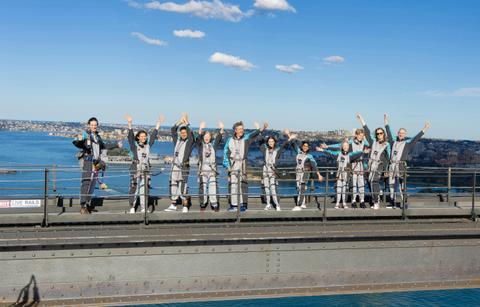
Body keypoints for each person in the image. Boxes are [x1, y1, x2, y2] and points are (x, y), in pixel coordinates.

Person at [73, 117, 121, 214]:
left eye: (95, 125)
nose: (94, 126)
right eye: (92, 125)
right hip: (88, 162)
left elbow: (104, 146)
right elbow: (77, 143)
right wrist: (79, 139)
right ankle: (83, 206)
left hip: (95, 163)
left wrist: (116, 145)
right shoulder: (86, 135)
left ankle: (88, 204)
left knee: (92, 184)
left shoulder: (97, 136)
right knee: (86, 183)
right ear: (89, 125)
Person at [385, 114, 430, 207]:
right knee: (391, 185)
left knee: (402, 186)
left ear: (405, 135)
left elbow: (416, 138)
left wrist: (425, 129)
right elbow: (388, 132)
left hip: (401, 166)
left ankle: (404, 203)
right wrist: (386, 121)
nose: (401, 134)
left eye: (403, 133)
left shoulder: (407, 144)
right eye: (400, 132)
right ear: (398, 133)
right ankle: (392, 202)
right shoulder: (393, 142)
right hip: (392, 166)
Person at [223, 121, 268, 212]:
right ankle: (234, 205)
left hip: (242, 164)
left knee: (242, 185)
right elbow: (225, 153)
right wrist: (228, 166)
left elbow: (253, 134)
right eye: (239, 129)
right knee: (233, 185)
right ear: (235, 130)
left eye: (242, 129)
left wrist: (262, 128)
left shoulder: (246, 138)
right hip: (233, 164)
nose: (241, 130)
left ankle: (242, 205)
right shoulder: (229, 140)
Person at [321, 129, 370, 208]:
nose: (361, 137)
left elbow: (369, 144)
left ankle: (362, 201)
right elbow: (339, 145)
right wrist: (328, 146)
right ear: (356, 135)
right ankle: (353, 200)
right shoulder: (350, 143)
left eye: (362, 136)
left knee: (361, 185)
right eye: (360, 135)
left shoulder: (364, 143)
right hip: (352, 165)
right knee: (353, 184)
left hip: (361, 165)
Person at [125, 114, 165, 213]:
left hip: (146, 169)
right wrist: (130, 124)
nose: (143, 138)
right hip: (136, 168)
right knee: (134, 188)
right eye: (141, 136)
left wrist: (158, 125)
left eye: (145, 136)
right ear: (138, 137)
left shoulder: (148, 146)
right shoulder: (134, 146)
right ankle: (132, 207)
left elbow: (153, 138)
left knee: (144, 189)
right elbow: (130, 138)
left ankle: (144, 207)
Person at [356, 113, 391, 210]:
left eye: (381, 133)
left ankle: (376, 202)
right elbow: (367, 132)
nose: (379, 135)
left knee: (374, 180)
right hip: (371, 165)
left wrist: (387, 169)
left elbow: (389, 158)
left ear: (383, 134)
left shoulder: (387, 144)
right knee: (369, 181)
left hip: (380, 165)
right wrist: (361, 119)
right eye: (377, 133)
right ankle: (377, 193)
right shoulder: (373, 142)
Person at [165, 113, 195, 213]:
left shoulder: (189, 142)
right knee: (173, 184)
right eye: (181, 133)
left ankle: (185, 206)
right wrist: (180, 121)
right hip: (175, 167)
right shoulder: (177, 141)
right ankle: (173, 204)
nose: (183, 134)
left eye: (184, 132)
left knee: (183, 185)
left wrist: (187, 123)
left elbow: (192, 135)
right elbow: (173, 130)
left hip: (184, 166)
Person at [260, 130, 295, 211]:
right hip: (265, 169)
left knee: (272, 188)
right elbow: (261, 142)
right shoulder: (265, 149)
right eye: (269, 141)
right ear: (267, 142)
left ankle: (277, 204)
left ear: (274, 142)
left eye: (272, 141)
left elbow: (284, 146)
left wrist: (289, 138)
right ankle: (268, 204)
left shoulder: (277, 150)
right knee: (266, 188)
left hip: (272, 170)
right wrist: (260, 131)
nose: (271, 142)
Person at [196, 121, 225, 212]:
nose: (207, 138)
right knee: (203, 188)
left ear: (210, 138)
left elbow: (219, 139)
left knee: (213, 188)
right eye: (205, 136)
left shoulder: (213, 146)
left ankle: (215, 204)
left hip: (212, 169)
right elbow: (198, 140)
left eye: (208, 137)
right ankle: (203, 203)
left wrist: (221, 129)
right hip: (203, 169)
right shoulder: (201, 146)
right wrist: (200, 129)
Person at [291, 141, 323, 211]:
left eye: (307, 146)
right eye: (304, 146)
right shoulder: (299, 152)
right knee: (299, 189)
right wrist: (289, 136)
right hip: (298, 173)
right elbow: (293, 144)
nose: (305, 147)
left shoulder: (309, 156)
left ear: (308, 148)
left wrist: (319, 174)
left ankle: (299, 205)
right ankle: (303, 203)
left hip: (305, 173)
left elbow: (314, 166)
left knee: (302, 188)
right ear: (302, 146)